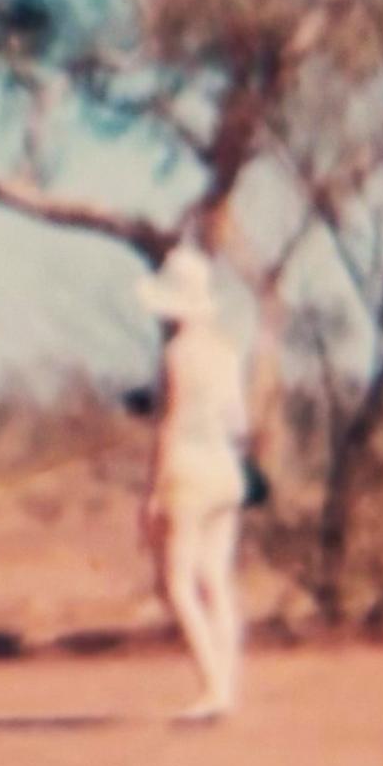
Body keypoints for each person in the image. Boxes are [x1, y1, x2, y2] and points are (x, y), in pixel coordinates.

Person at [140, 235, 253, 724]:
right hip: (225, 467)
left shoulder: (178, 353)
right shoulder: (227, 350)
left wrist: (153, 490)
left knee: (178, 582)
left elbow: (172, 422)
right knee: (216, 580)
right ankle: (223, 685)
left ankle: (212, 687)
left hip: (188, 470)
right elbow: (238, 420)